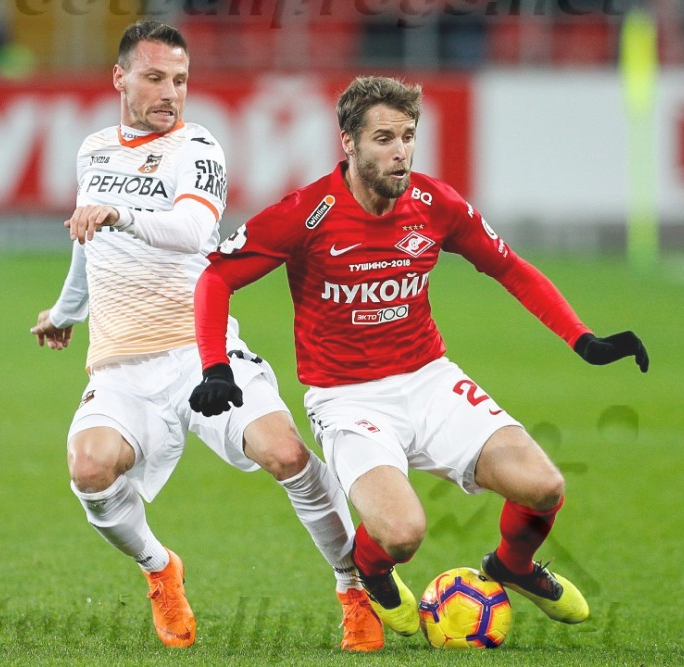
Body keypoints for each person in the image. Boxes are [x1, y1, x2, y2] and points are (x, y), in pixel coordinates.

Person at [189, 76, 649, 640]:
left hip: (430, 381)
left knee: (544, 487)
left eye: (408, 136)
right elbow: (215, 278)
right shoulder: (305, 213)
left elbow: (508, 267)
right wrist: (215, 365)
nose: (401, 151)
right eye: (384, 138)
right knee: (402, 533)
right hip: (347, 400)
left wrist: (583, 339)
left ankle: (513, 565)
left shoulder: (435, 204)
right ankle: (372, 571)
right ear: (348, 143)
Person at [30, 21, 382, 652]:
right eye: (155, 77)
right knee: (89, 468)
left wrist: (119, 212)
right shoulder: (93, 151)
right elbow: (88, 242)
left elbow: (194, 231)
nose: (170, 93)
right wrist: (65, 312)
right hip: (121, 366)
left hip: (202, 350)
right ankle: (159, 569)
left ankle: (352, 588)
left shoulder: (198, 147)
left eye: (181, 80)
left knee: (285, 454)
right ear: (120, 78)